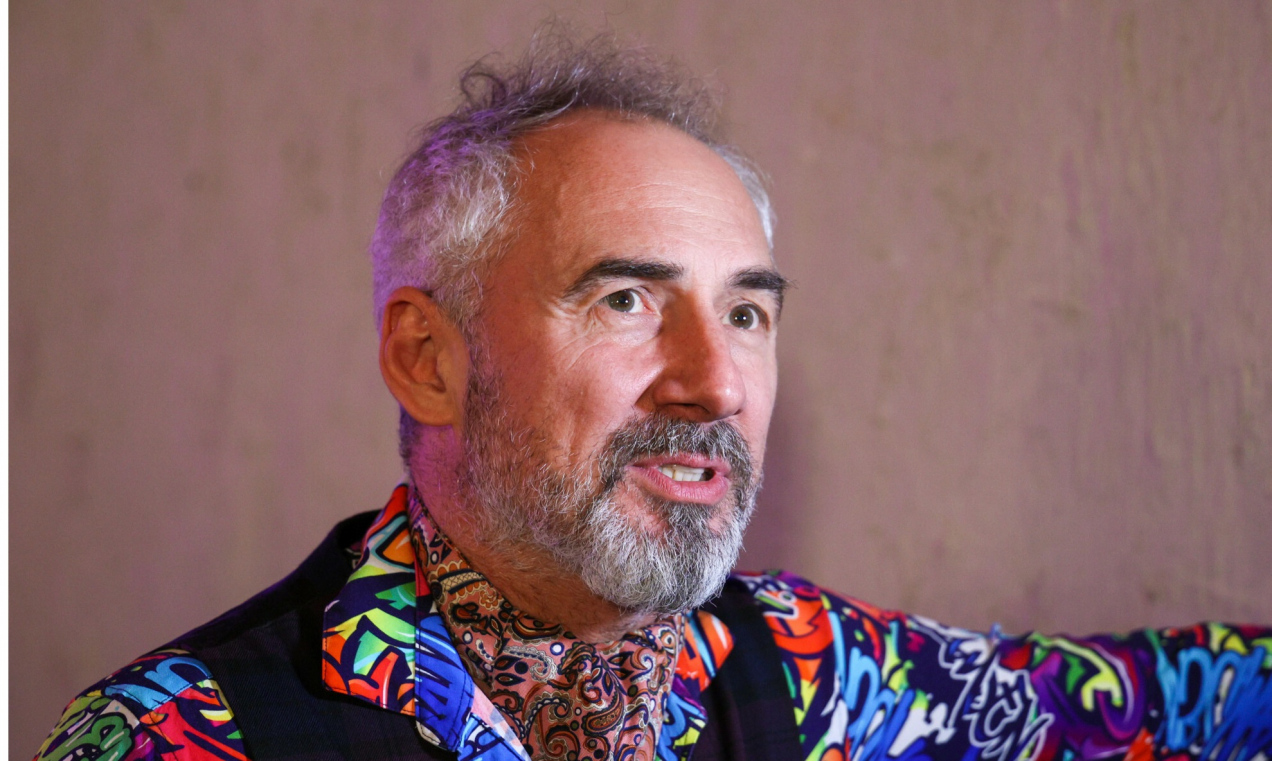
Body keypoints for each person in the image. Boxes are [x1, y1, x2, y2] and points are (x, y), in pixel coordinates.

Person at [36, 33, 1272, 761]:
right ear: (427, 358)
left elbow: (1177, 703)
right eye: (627, 299)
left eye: (747, 312)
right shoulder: (183, 735)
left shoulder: (811, 673)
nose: (717, 380)